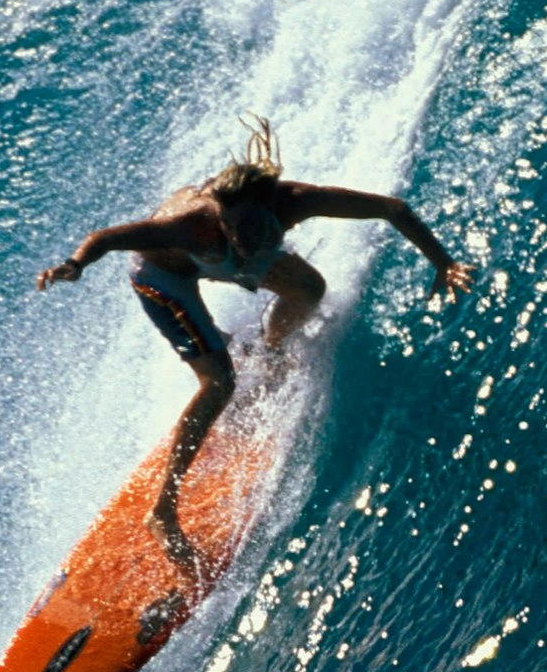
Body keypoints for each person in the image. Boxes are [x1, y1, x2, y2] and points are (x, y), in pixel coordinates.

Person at [35, 120, 469, 567]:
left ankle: (271, 351)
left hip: (220, 259)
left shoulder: (297, 202)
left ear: (273, 208)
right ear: (218, 214)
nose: (244, 240)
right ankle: (162, 512)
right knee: (219, 383)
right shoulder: (188, 225)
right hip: (166, 278)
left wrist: (444, 262)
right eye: (235, 228)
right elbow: (106, 239)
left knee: (308, 289)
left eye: (255, 229)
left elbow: (391, 208)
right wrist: (74, 265)